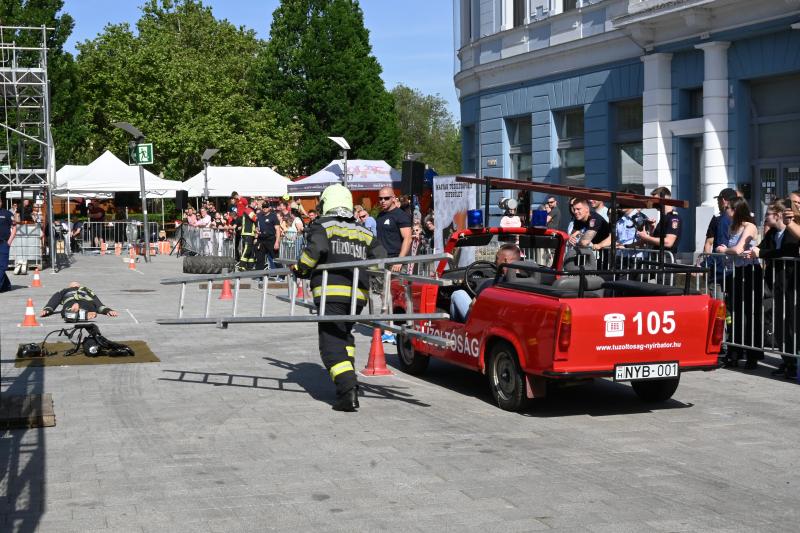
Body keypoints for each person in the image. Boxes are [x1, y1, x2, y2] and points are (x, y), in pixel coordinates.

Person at [292, 184, 386, 412]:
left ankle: (347, 391)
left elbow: (315, 251)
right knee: (344, 337)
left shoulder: (322, 225)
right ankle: (349, 378)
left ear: (327, 203)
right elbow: (380, 258)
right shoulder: (363, 230)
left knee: (330, 344)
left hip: (331, 293)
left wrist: (300, 269)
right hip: (357, 295)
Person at [749, 199, 799, 377]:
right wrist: (752, 251)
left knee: (791, 322)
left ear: (777, 215)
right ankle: (786, 360)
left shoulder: (791, 233)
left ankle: (793, 361)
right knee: (778, 321)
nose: (765, 217)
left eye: (768, 214)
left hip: (790, 282)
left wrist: (761, 253)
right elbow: (762, 247)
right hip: (775, 282)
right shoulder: (773, 233)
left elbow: (786, 252)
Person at [715, 197, 762, 369]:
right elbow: (733, 252)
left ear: (735, 210)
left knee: (750, 313)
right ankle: (735, 352)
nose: (725, 210)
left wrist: (723, 250)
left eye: (728, 208)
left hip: (750, 272)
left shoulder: (749, 226)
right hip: (736, 271)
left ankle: (752, 354)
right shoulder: (732, 227)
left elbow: (738, 249)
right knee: (734, 313)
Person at [375, 187, 412, 344]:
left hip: (396, 261)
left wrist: (399, 260)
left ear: (393, 198)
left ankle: (403, 329)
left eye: (386, 198)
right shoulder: (380, 215)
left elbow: (408, 238)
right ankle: (389, 329)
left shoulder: (400, 215)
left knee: (398, 296)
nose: (383, 201)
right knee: (385, 296)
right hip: (383, 261)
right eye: (380, 199)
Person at [450, 244, 522, 322]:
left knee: (458, 294)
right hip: (509, 323)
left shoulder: (491, 283)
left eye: (497, 258)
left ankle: (457, 330)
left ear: (505, 260)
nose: (494, 261)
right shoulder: (532, 283)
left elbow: (472, 307)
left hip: (482, 324)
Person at [40, 281, 119, 320]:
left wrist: (107, 310)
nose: (75, 285)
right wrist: (48, 309)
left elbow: (98, 303)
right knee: (68, 309)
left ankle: (76, 313)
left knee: (65, 311)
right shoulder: (65, 291)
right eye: (73, 284)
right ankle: (83, 314)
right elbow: (98, 304)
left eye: (76, 284)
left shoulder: (86, 290)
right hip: (85, 304)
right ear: (70, 286)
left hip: (75, 303)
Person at [636, 187, 682, 252]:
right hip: (657, 258)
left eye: (655, 201)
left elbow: (668, 242)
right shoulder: (664, 217)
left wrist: (647, 238)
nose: (653, 204)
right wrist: (652, 229)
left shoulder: (673, 218)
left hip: (666, 259)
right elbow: (656, 241)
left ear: (665, 199)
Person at [255, 202, 282, 272]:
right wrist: (256, 232)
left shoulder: (273, 216)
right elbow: (257, 227)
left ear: (269, 208)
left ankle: (282, 275)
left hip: (271, 240)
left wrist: (277, 242)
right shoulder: (259, 216)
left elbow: (278, 230)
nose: (264, 208)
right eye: (263, 207)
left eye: (266, 207)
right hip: (261, 240)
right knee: (260, 258)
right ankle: (259, 276)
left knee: (275, 258)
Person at [0, 191, 17, 292]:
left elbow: (14, 227)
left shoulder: (7, 214)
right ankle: (6, 285)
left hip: (3, 243)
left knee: (2, 265)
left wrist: (9, 242)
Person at [237, 197, 258, 271]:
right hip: (247, 232)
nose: (256, 204)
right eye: (255, 203)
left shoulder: (250, 210)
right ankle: (241, 265)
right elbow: (255, 218)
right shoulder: (249, 210)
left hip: (250, 233)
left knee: (251, 250)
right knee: (247, 249)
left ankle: (250, 265)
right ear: (251, 203)